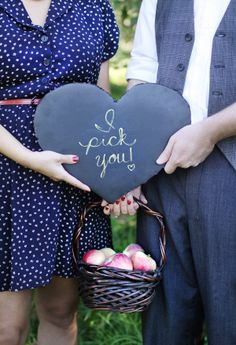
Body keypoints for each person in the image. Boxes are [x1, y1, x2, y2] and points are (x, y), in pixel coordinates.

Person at [105, 0, 236, 344]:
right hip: (160, 170)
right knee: (167, 313)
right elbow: (143, 72)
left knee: (230, 308)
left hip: (231, 171)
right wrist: (131, 162)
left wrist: (210, 132)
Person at [0, 0, 119, 344]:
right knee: (6, 329)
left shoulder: (93, 7)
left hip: (74, 174)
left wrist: (114, 174)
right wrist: (29, 157)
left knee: (60, 311)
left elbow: (101, 101)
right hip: (6, 172)